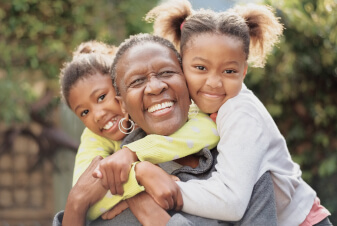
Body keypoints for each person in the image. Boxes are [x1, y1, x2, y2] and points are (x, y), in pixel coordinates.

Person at [54, 34, 278, 226]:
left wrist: (155, 218)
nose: (155, 86)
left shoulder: (242, 166)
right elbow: (83, 194)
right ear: (122, 102)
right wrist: (78, 203)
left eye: (167, 73)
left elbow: (208, 131)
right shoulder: (112, 181)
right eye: (137, 81)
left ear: (187, 80)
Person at [145, 0, 332, 225]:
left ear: (243, 72)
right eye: (201, 68)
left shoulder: (240, 113)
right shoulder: (196, 107)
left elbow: (231, 202)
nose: (214, 82)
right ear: (180, 63)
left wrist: (167, 188)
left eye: (229, 71)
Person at [58, 40, 220, 221]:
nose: (97, 115)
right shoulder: (93, 137)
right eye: (84, 112)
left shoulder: (176, 109)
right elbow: (85, 193)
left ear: (121, 88)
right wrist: (138, 178)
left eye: (102, 97)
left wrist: (134, 154)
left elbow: (210, 130)